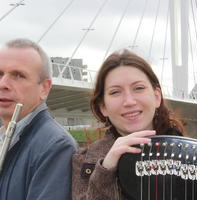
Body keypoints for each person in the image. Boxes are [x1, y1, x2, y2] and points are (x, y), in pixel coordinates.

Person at [0, 38, 77, 200]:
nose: (3, 84)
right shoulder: (4, 139)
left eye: (18, 75)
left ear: (44, 88)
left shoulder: (56, 147)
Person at [72, 49, 184, 199]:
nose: (129, 101)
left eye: (138, 88)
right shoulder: (84, 162)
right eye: (115, 92)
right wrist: (106, 170)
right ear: (103, 107)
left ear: (157, 97)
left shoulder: (192, 156)